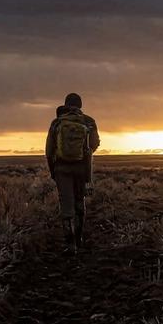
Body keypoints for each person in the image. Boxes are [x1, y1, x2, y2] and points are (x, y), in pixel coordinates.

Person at [45, 93, 100, 253]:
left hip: (61, 169)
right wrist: (84, 154)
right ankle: (79, 239)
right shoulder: (89, 121)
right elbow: (94, 143)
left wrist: (53, 171)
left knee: (66, 206)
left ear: (66, 104)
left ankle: (70, 246)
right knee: (79, 202)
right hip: (82, 168)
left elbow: (49, 150)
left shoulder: (57, 122)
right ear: (80, 105)